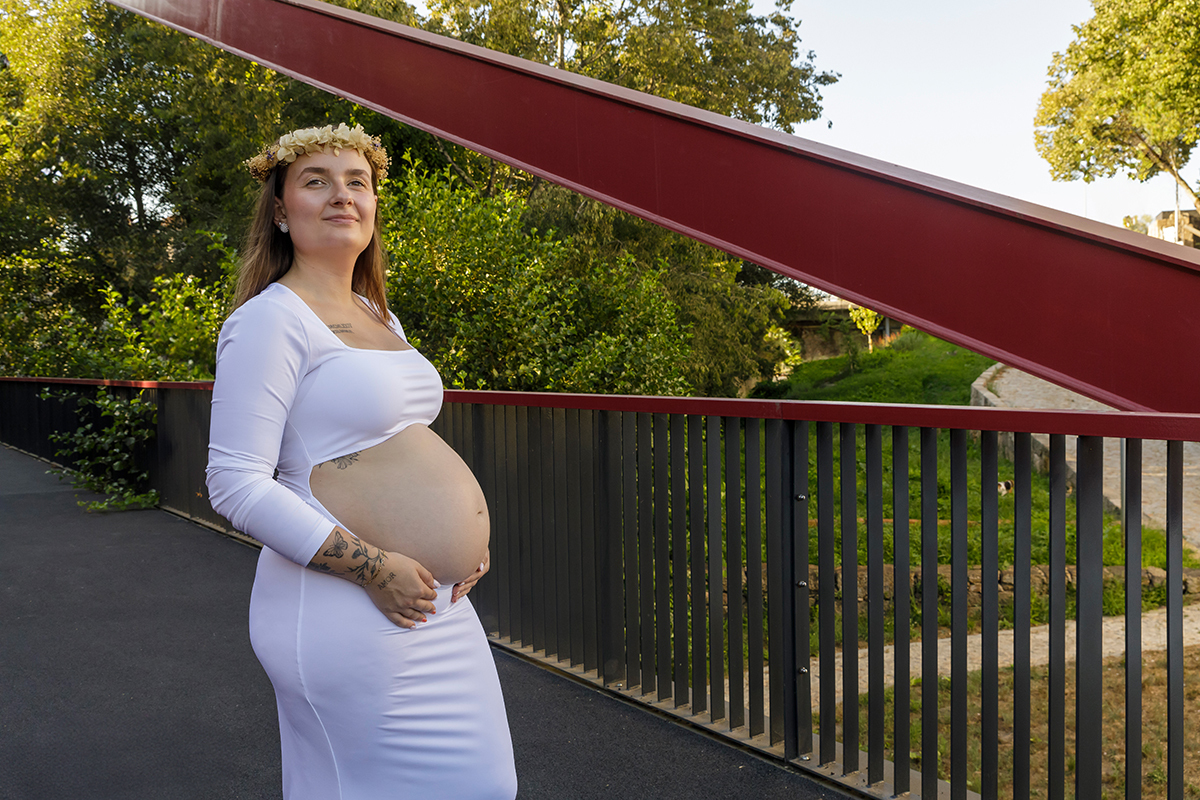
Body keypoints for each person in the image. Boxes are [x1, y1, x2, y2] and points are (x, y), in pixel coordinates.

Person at [206, 123, 517, 799]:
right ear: (282, 212)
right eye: (316, 181)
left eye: (358, 182)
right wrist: (374, 568)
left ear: (374, 207)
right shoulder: (271, 320)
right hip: (346, 603)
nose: (341, 195)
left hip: (431, 603)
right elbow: (234, 483)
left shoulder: (380, 314)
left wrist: (466, 545)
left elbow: (397, 444)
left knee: (484, 786)